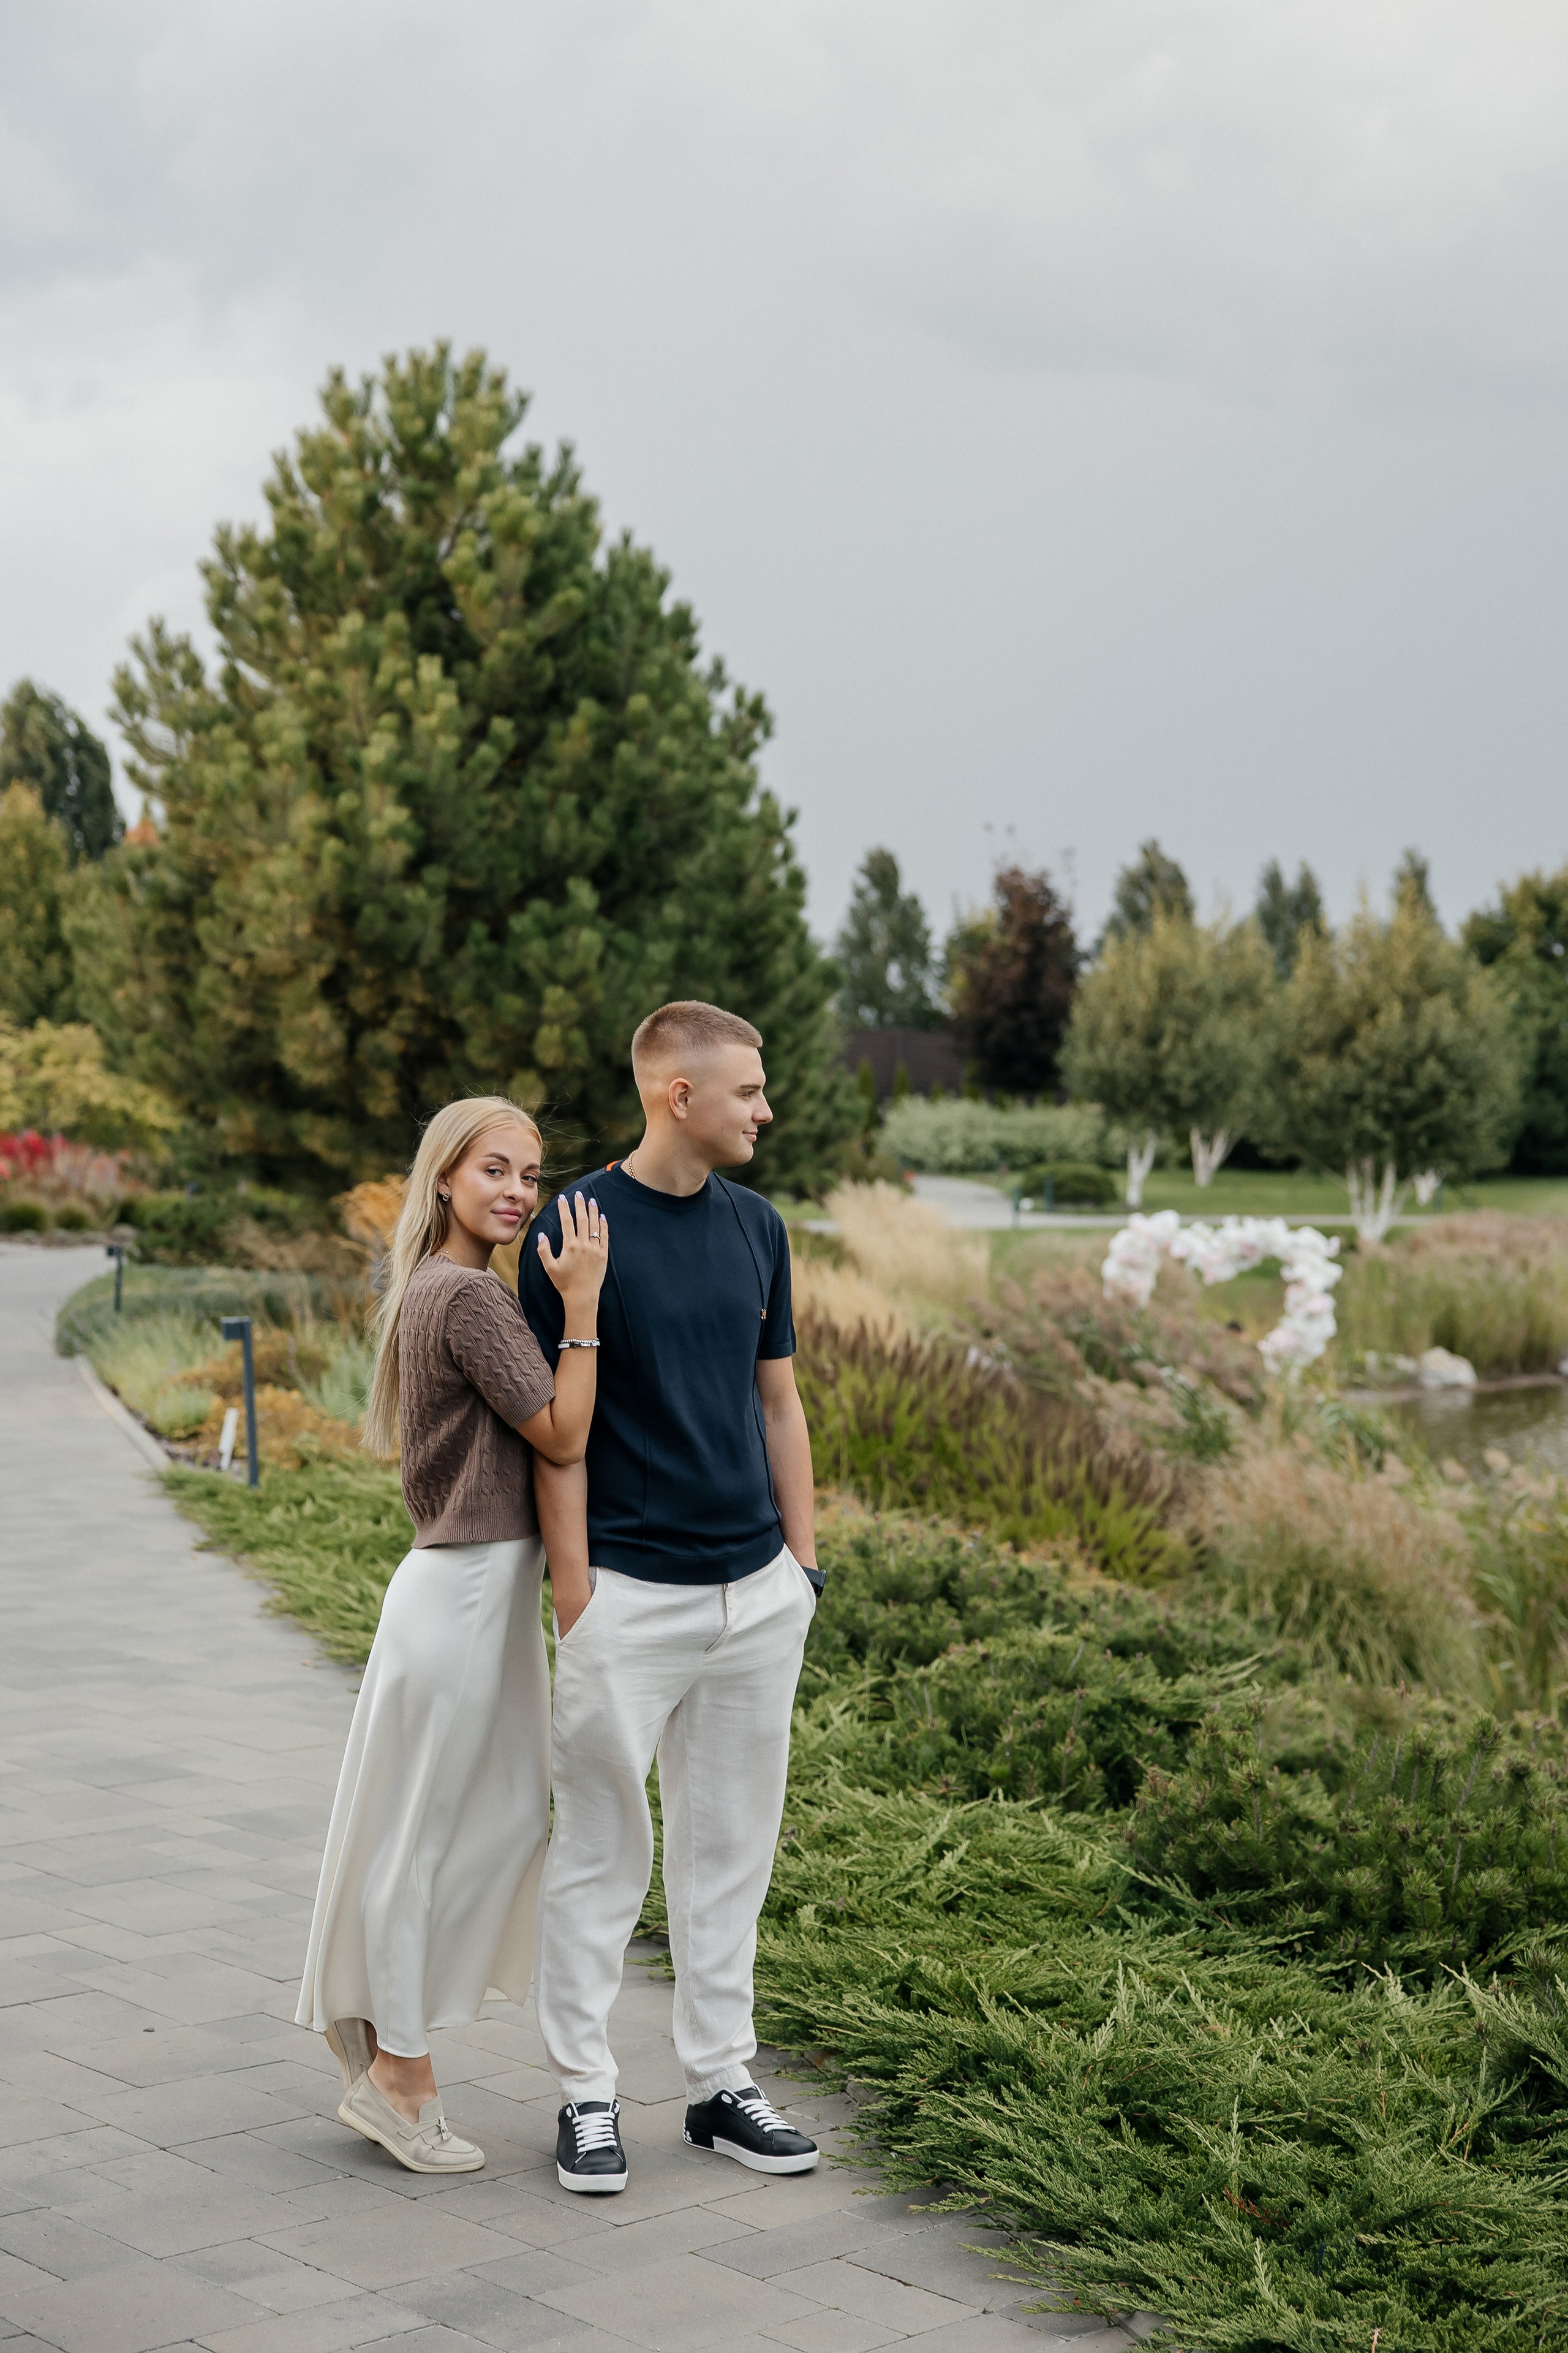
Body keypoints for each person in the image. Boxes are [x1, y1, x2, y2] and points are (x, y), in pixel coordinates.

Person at [521, 1002, 823, 2194]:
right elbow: (554, 1430)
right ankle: (584, 2095)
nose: (764, 1108)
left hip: (755, 1593)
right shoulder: (576, 1226)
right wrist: (576, 1596)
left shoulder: (757, 1225)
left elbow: (780, 1401)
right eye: (746, 1089)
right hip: (627, 1595)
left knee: (729, 1847)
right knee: (601, 1847)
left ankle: (718, 2081)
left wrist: (798, 1565)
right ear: (675, 1096)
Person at [296, 1095, 608, 2174]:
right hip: (466, 1592)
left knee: (499, 1818)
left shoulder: (443, 1286)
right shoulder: (468, 1297)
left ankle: (382, 2023)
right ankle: (401, 2076)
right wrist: (584, 1306)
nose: (520, 1191)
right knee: (424, 1839)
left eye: (531, 1172)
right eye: (496, 1170)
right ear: (445, 1178)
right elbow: (563, 1429)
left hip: (470, 1589)